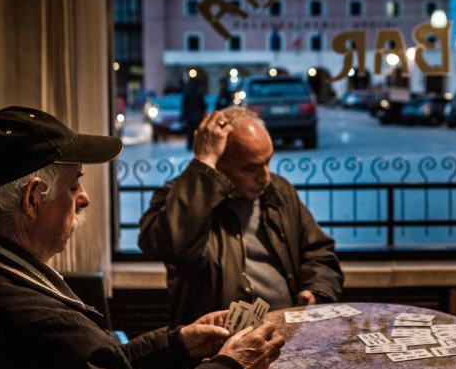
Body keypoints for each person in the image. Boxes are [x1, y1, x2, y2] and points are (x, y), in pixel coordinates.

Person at [0, 106, 284, 369]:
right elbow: (74, 361)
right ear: (31, 198)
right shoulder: (41, 326)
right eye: (74, 187)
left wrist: (178, 344)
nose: (84, 199)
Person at [139, 106, 343, 327]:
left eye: (268, 161)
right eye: (250, 168)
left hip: (288, 334)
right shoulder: (181, 197)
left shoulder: (279, 191)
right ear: (218, 166)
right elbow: (169, 245)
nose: (265, 176)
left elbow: (319, 253)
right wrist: (204, 163)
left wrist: (314, 290)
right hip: (218, 347)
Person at [182, 80, 207, 150]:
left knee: (190, 131)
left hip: (190, 116)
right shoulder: (198, 94)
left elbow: (184, 105)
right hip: (197, 116)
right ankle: (195, 144)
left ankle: (190, 144)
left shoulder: (187, 94)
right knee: (196, 131)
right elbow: (202, 105)